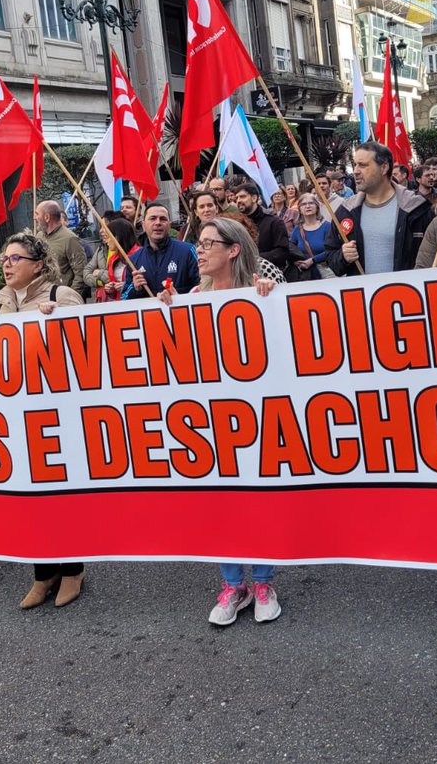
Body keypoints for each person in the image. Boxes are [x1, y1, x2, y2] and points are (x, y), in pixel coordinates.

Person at [157, 217, 279, 626]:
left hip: (256, 417)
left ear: (233, 250)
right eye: (199, 243)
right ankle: (233, 584)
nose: (200, 250)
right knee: (220, 502)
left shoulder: (263, 294)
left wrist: (272, 300)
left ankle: (263, 581)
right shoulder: (190, 296)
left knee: (257, 501)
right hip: (207, 422)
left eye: (209, 243)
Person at [0, 232, 88, 607]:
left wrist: (60, 320)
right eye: (4, 259)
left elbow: (87, 345)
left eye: (15, 258)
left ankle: (73, 569)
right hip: (17, 417)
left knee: (59, 498)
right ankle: (42, 573)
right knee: (29, 501)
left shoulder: (58, 298)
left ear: (37, 265)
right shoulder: (3, 303)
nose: (7, 265)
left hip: (56, 415)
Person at [323, 141, 433, 275]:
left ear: (384, 168)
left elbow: (434, 259)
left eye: (363, 165)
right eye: (355, 164)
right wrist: (343, 257)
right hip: (364, 295)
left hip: (407, 293)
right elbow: (331, 256)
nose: (356, 171)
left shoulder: (416, 208)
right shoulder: (346, 211)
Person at [125, 202, 200, 299]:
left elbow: (202, 287)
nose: (158, 223)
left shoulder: (188, 251)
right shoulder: (133, 260)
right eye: (152, 218)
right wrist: (135, 289)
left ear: (169, 225)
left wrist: (179, 298)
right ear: (143, 225)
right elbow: (124, 297)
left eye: (163, 219)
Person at [34, 200, 87, 296]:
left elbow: (80, 272)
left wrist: (70, 297)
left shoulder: (70, 239)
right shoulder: (39, 237)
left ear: (47, 217)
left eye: (37, 214)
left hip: (62, 298)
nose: (35, 218)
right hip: (42, 297)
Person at [235, 182, 290, 269]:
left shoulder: (274, 221)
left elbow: (282, 252)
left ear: (254, 198)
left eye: (242, 196)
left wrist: (255, 258)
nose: (238, 201)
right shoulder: (236, 223)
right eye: (236, 198)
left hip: (269, 274)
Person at [86, 217, 141, 303]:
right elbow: (114, 291)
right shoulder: (113, 259)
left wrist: (125, 286)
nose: (106, 241)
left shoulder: (140, 256)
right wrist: (109, 290)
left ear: (118, 237)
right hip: (118, 305)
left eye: (108, 237)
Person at [290, 192, 333, 280]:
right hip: (307, 275)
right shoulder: (297, 230)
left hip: (326, 273)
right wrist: (296, 262)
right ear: (300, 209)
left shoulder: (327, 226)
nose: (307, 206)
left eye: (311, 203)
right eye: (304, 204)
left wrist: (313, 260)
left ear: (317, 207)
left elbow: (332, 250)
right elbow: (291, 249)